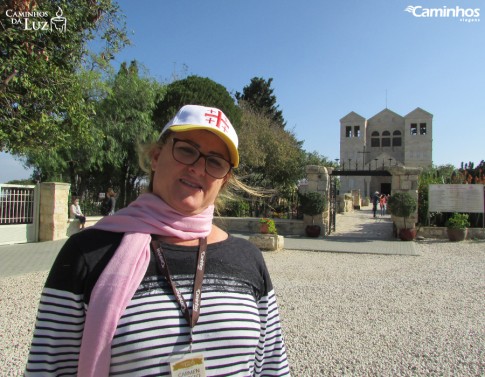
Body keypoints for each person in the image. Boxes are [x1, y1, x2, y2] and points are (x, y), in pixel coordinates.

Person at [25, 104, 291, 376]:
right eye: (187, 150)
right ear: (155, 156)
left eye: (215, 162)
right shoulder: (87, 253)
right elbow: (48, 369)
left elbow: (272, 367)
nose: (199, 168)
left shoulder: (248, 259)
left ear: (223, 181)